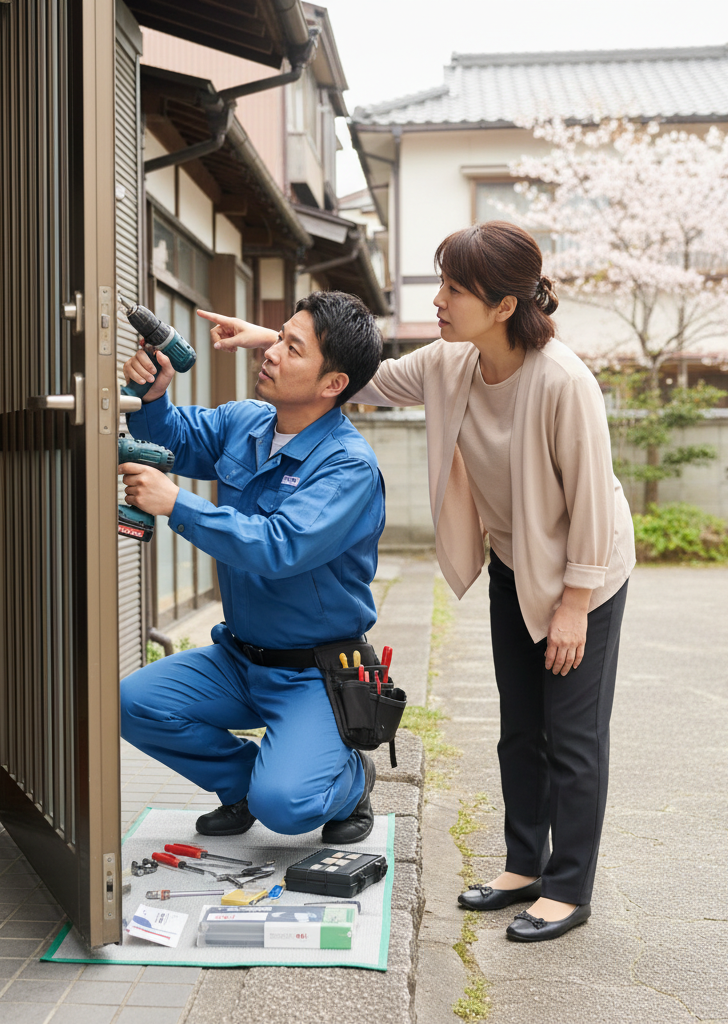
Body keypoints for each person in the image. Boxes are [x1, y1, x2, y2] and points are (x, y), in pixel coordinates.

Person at [204, 221, 634, 942]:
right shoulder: (451, 362)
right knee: (519, 730)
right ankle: (523, 866)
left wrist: (575, 606)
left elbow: (593, 496)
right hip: (513, 565)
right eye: (441, 283)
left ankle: (569, 889)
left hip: (583, 576)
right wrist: (265, 340)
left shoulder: (563, 380)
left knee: (573, 736)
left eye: (454, 289)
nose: (437, 300)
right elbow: (361, 375)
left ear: (502, 306)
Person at [118, 290, 385, 843]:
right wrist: (150, 394)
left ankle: (351, 779)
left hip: (313, 673)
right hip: (238, 658)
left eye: (292, 347)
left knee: (288, 809)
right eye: (279, 336)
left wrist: (176, 503)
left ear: (333, 384)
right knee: (133, 703)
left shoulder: (348, 467)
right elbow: (172, 438)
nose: (270, 352)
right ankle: (242, 785)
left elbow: (278, 546)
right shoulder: (247, 422)